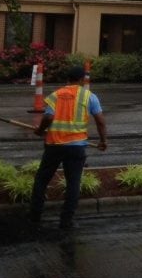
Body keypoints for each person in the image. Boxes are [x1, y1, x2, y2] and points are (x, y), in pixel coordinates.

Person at [30, 65, 107, 230]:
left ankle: (35, 215)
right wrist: (103, 141)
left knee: (42, 179)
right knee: (73, 183)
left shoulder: (56, 95)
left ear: (67, 78)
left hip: (54, 145)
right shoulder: (89, 96)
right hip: (76, 147)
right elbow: (100, 121)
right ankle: (66, 220)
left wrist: (40, 131)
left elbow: (48, 117)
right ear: (81, 80)